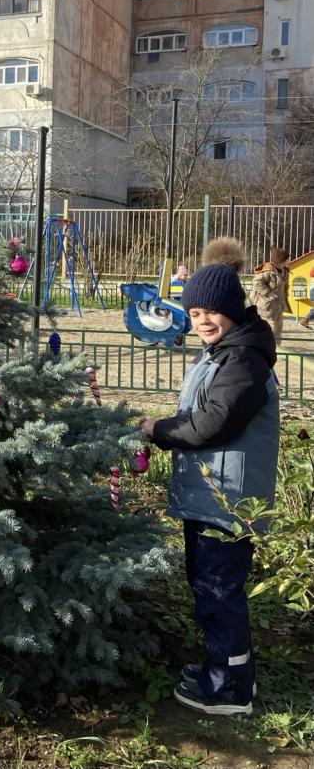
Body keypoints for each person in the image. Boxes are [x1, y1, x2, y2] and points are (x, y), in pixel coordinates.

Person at [138, 238, 279, 717]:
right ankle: (220, 667)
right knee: (208, 587)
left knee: (219, 592)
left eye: (211, 311)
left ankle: (230, 689)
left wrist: (158, 430)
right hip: (209, 494)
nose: (202, 321)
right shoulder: (221, 352)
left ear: (233, 310)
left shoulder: (244, 359)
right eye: (194, 312)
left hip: (228, 500)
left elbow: (214, 423)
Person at [249, 246, 290, 343]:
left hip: (278, 305)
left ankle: (276, 347)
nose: (289, 261)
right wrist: (268, 293)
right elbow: (256, 282)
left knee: (278, 328)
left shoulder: (284, 271)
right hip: (267, 305)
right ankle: (264, 346)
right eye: (287, 259)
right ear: (281, 261)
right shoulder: (268, 271)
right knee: (268, 328)